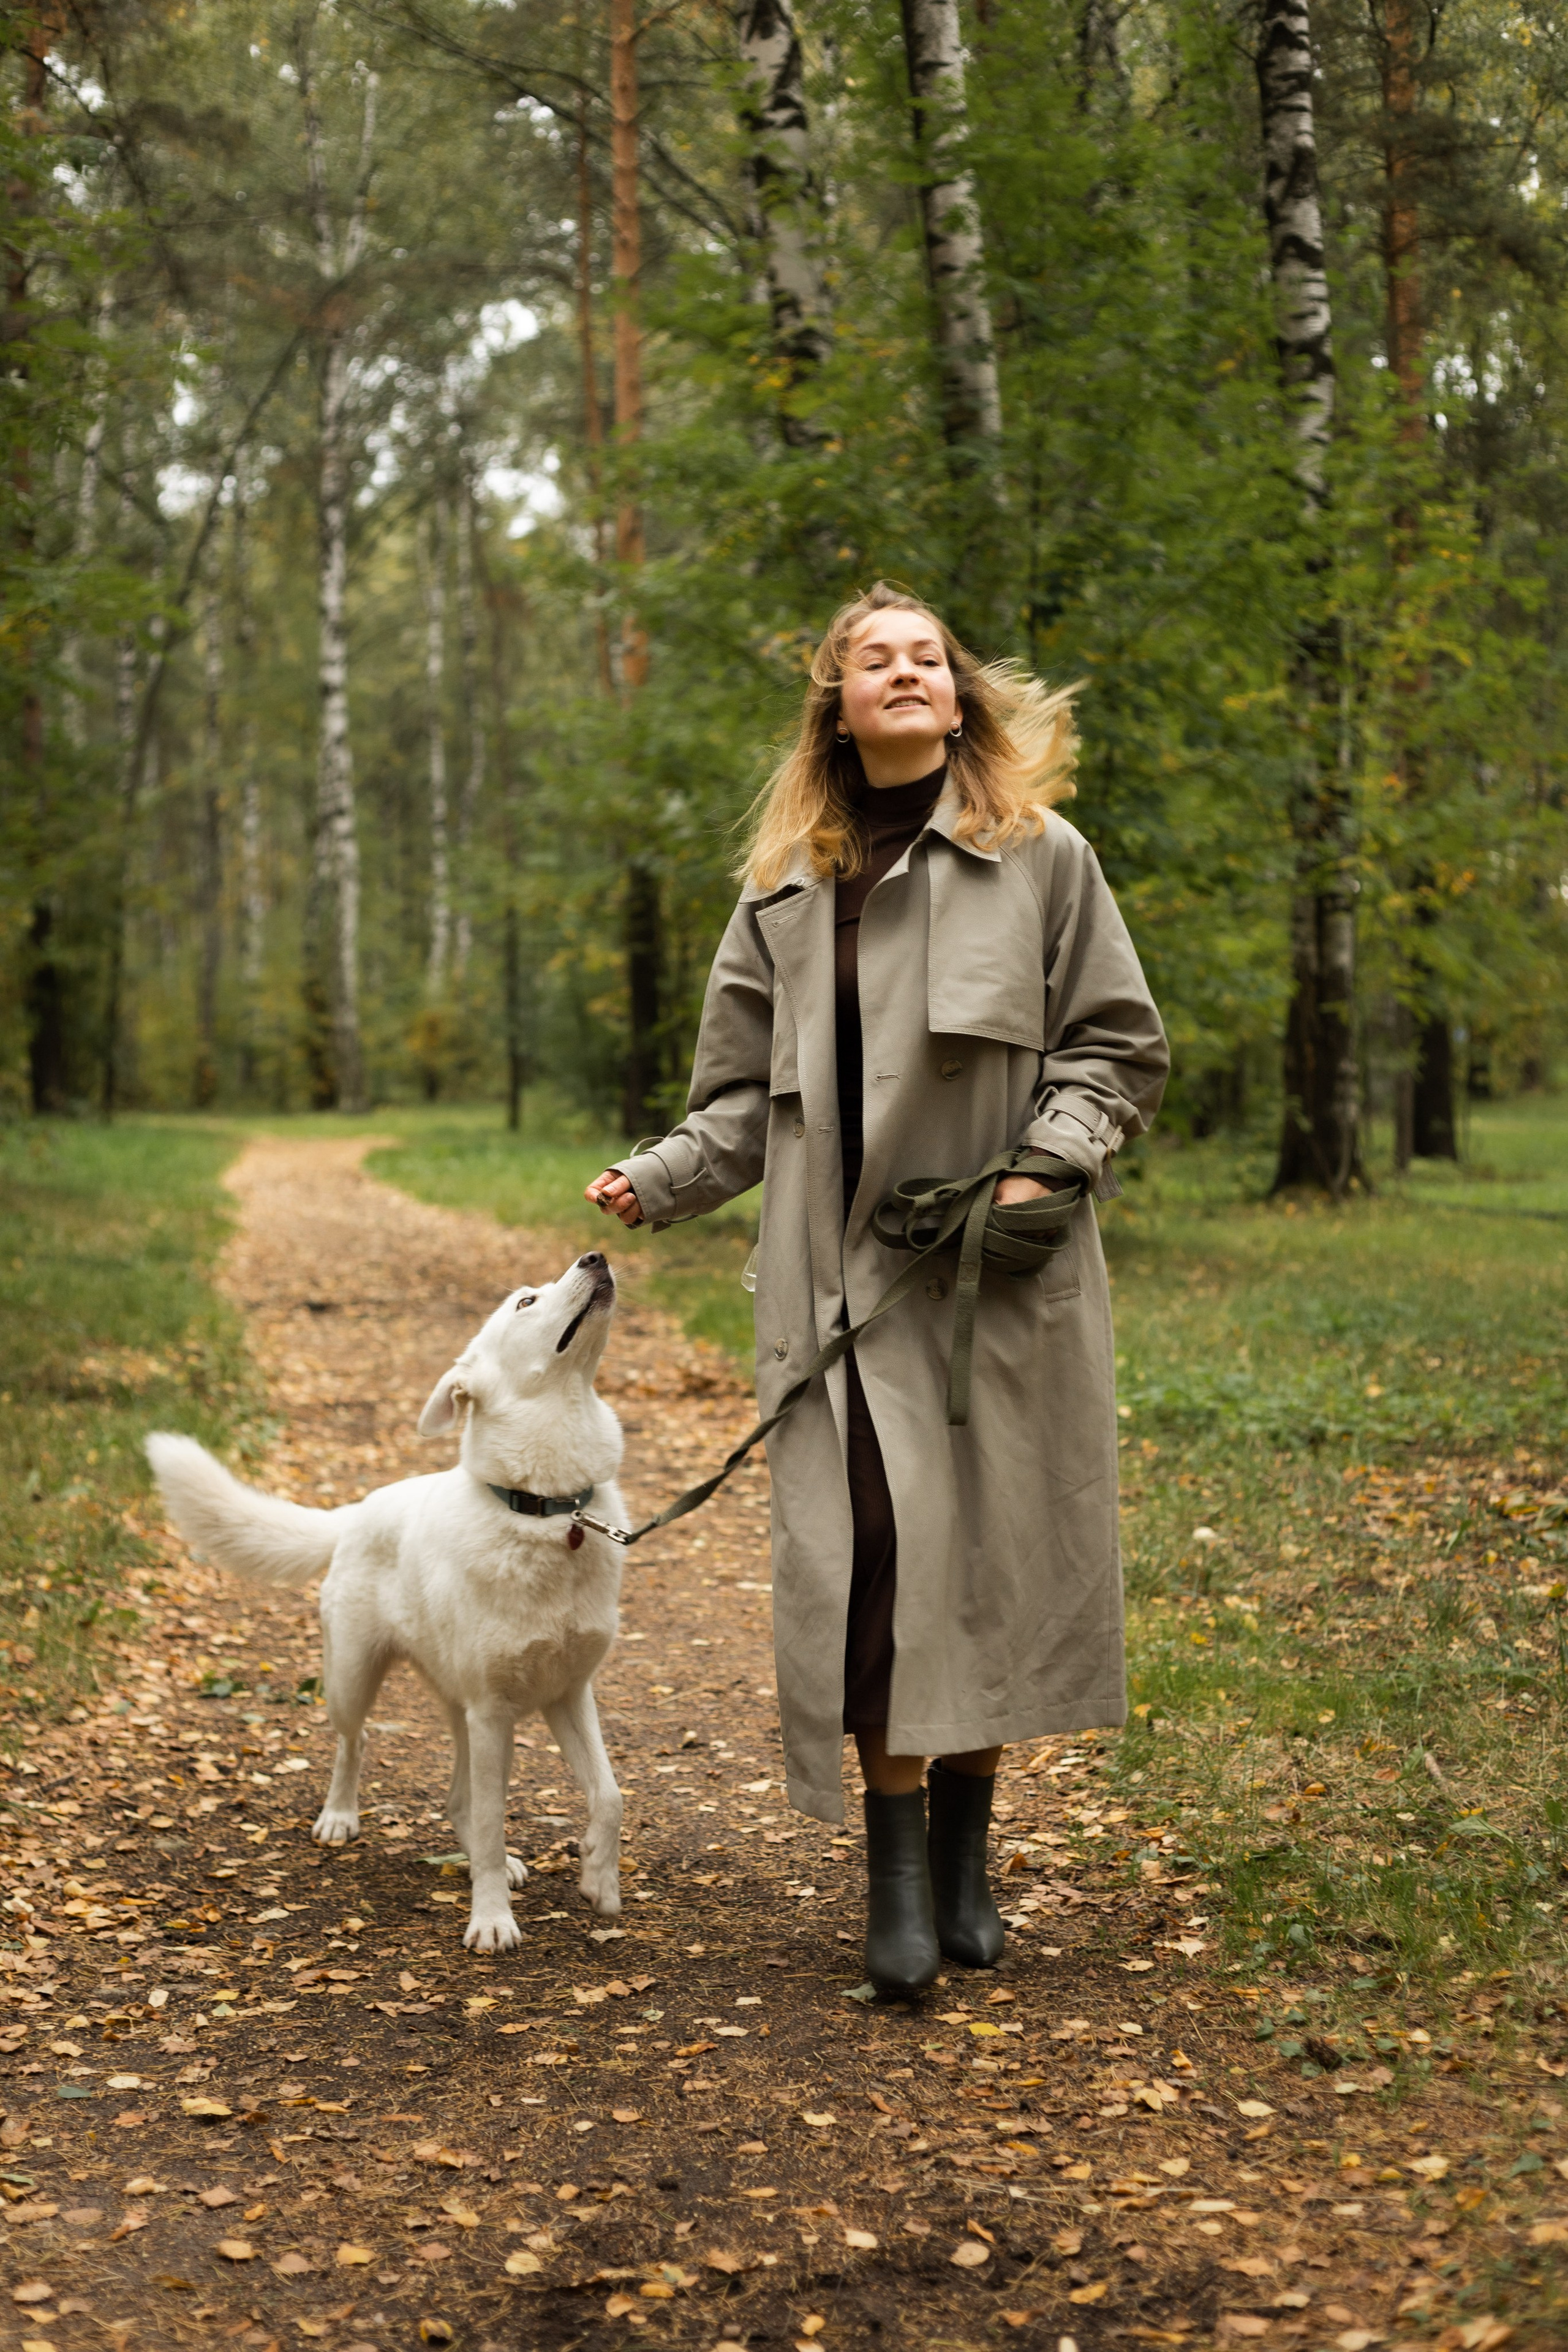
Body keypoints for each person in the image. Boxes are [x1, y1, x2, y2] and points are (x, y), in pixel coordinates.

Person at [585, 581, 1167, 1996]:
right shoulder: (784, 887)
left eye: (926, 659)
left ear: (959, 698)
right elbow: (733, 1104)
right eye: (870, 661)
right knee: (873, 1578)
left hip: (994, 1287)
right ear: (836, 704)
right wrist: (654, 1178)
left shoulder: (1042, 857)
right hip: (835, 1299)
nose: (901, 675)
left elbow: (1115, 1047)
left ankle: (968, 1875)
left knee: (986, 1568)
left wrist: (1042, 1170)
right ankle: (894, 1884)